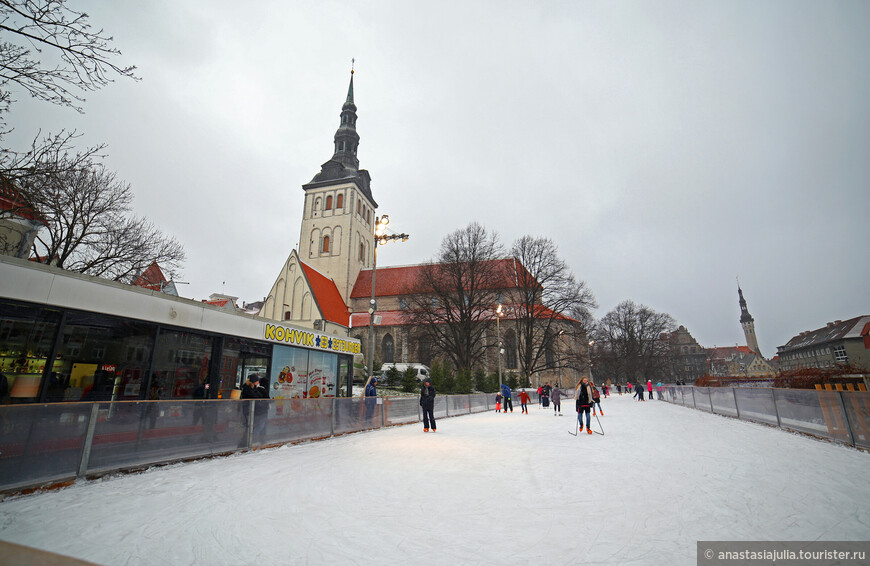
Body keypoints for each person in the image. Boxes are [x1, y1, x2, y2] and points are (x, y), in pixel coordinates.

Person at [241, 374, 269, 443]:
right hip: (249, 410)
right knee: (253, 427)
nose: (258, 382)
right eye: (257, 381)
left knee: (252, 426)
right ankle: (249, 441)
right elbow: (255, 398)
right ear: (253, 381)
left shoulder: (254, 388)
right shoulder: (248, 389)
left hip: (253, 410)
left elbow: (258, 397)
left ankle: (248, 441)